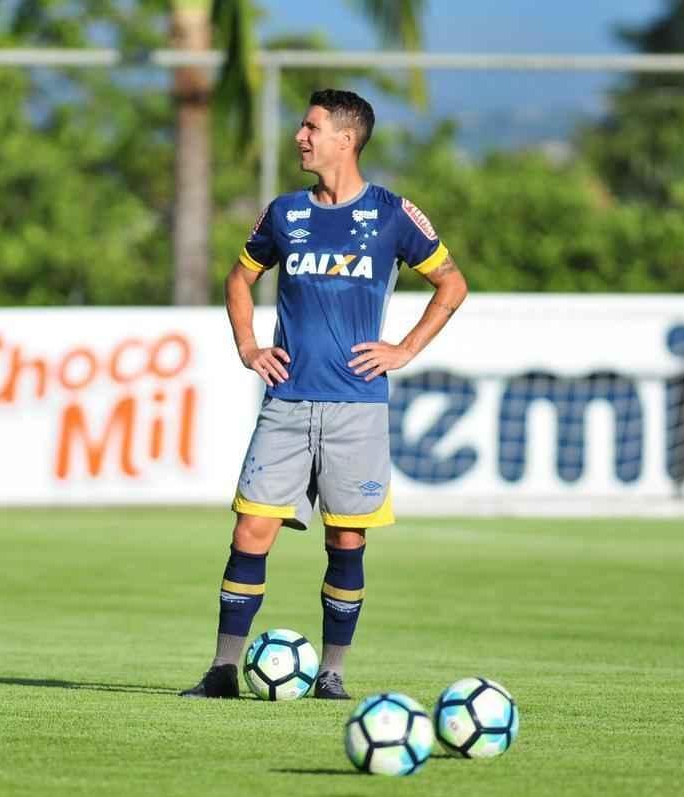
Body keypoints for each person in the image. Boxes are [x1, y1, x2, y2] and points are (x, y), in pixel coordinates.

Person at [180, 89, 468, 700]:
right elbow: (239, 276)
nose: (299, 136)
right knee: (249, 533)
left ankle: (332, 674)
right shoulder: (285, 212)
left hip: (356, 407)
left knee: (347, 540)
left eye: (311, 127)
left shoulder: (392, 213)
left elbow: (451, 282)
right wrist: (248, 347)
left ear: (346, 137)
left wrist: (404, 349)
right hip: (287, 402)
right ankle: (222, 671)